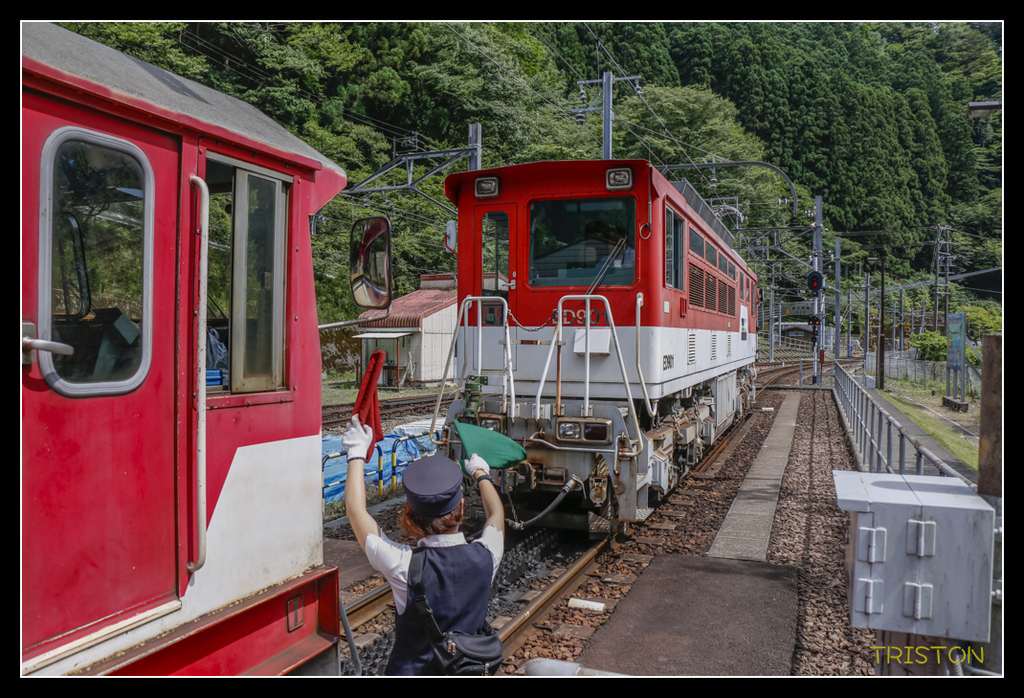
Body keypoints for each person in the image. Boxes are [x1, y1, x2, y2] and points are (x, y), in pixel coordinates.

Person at [342, 415, 504, 675]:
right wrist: (481, 473)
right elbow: (496, 514)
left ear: (410, 513)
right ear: (461, 507)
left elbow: (355, 511)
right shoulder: (487, 554)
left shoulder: (403, 564)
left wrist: (356, 453)